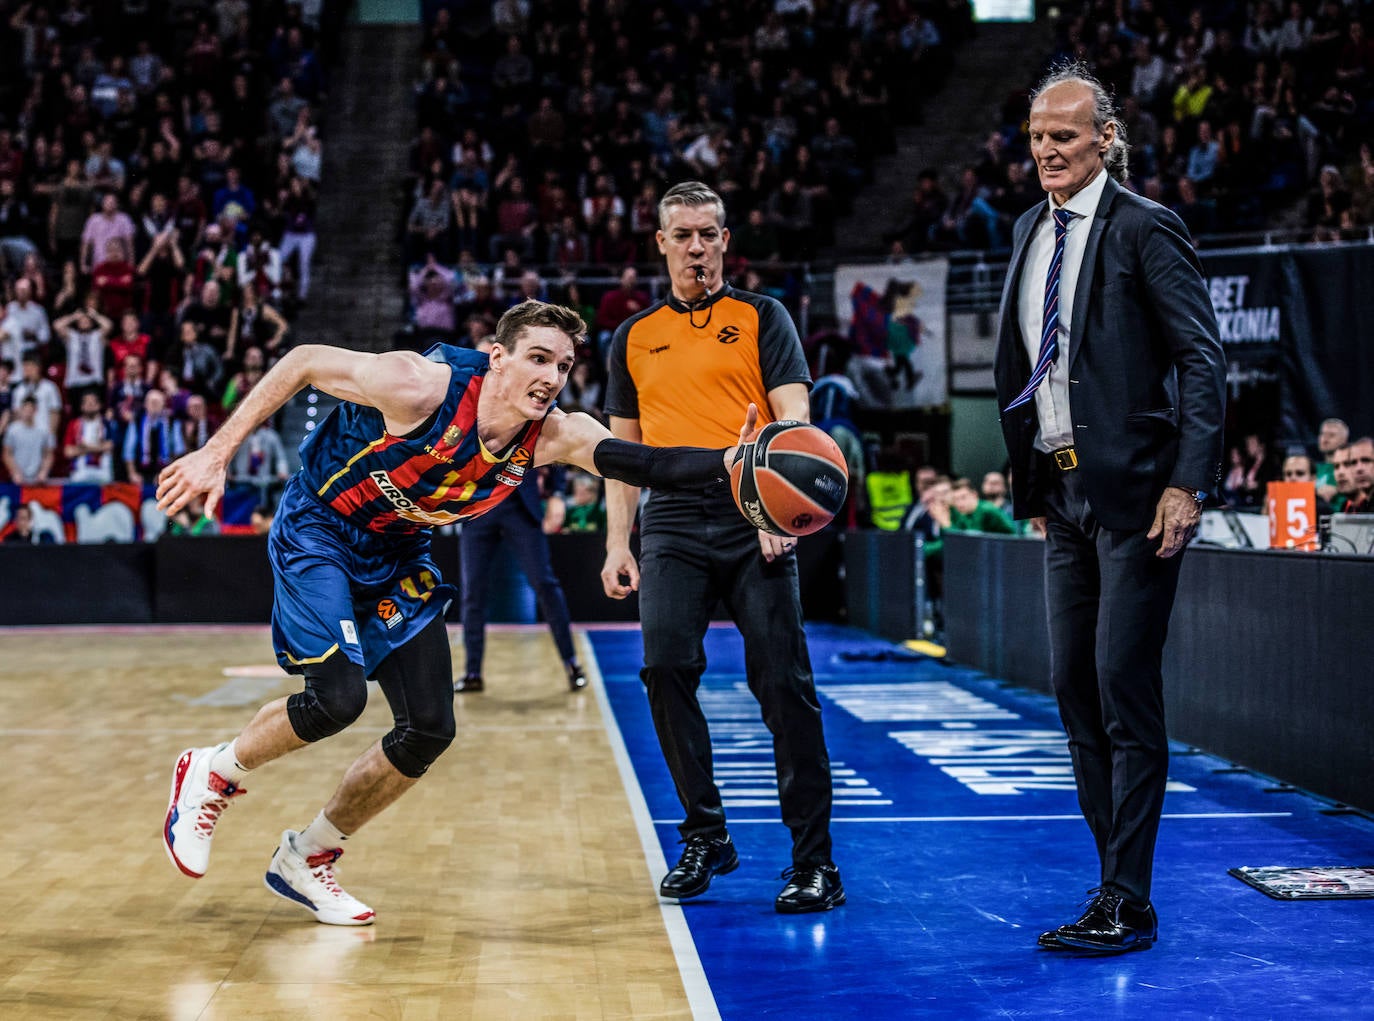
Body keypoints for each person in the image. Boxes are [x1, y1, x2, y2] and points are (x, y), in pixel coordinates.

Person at [155, 299, 756, 925]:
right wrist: (216, 453)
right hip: (323, 530)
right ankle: (213, 771)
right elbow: (305, 360)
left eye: (564, 365)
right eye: (538, 358)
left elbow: (647, 462)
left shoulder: (553, 434)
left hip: (398, 551)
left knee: (429, 728)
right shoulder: (415, 386)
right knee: (337, 697)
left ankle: (308, 856)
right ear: (497, 357)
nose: (552, 376)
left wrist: (730, 464)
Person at [992, 66, 1226, 955]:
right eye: (1038, 137)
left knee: (1125, 694)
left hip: (1135, 496)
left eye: (1065, 136)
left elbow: (1201, 363)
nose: (1048, 150)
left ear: (1106, 140)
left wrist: (1188, 482)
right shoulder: (1026, 229)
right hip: (1061, 496)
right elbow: (1029, 369)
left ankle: (1127, 897)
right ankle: (1112, 884)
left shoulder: (1145, 228)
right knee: (1074, 692)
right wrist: (1035, 483)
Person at [600, 181, 843, 915]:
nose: (697, 247)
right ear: (662, 244)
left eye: (709, 234)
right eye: (684, 235)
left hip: (751, 512)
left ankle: (815, 863)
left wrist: (778, 505)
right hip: (670, 518)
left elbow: (794, 419)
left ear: (726, 241)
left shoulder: (763, 316)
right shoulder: (632, 336)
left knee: (783, 686)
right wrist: (619, 539)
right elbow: (620, 452)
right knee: (664, 667)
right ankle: (707, 835)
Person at [456, 464, 587, 694]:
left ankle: (572, 663)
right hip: (477, 504)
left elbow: (550, 434)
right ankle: (472, 673)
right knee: (472, 592)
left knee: (545, 583)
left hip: (520, 504)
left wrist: (557, 493)